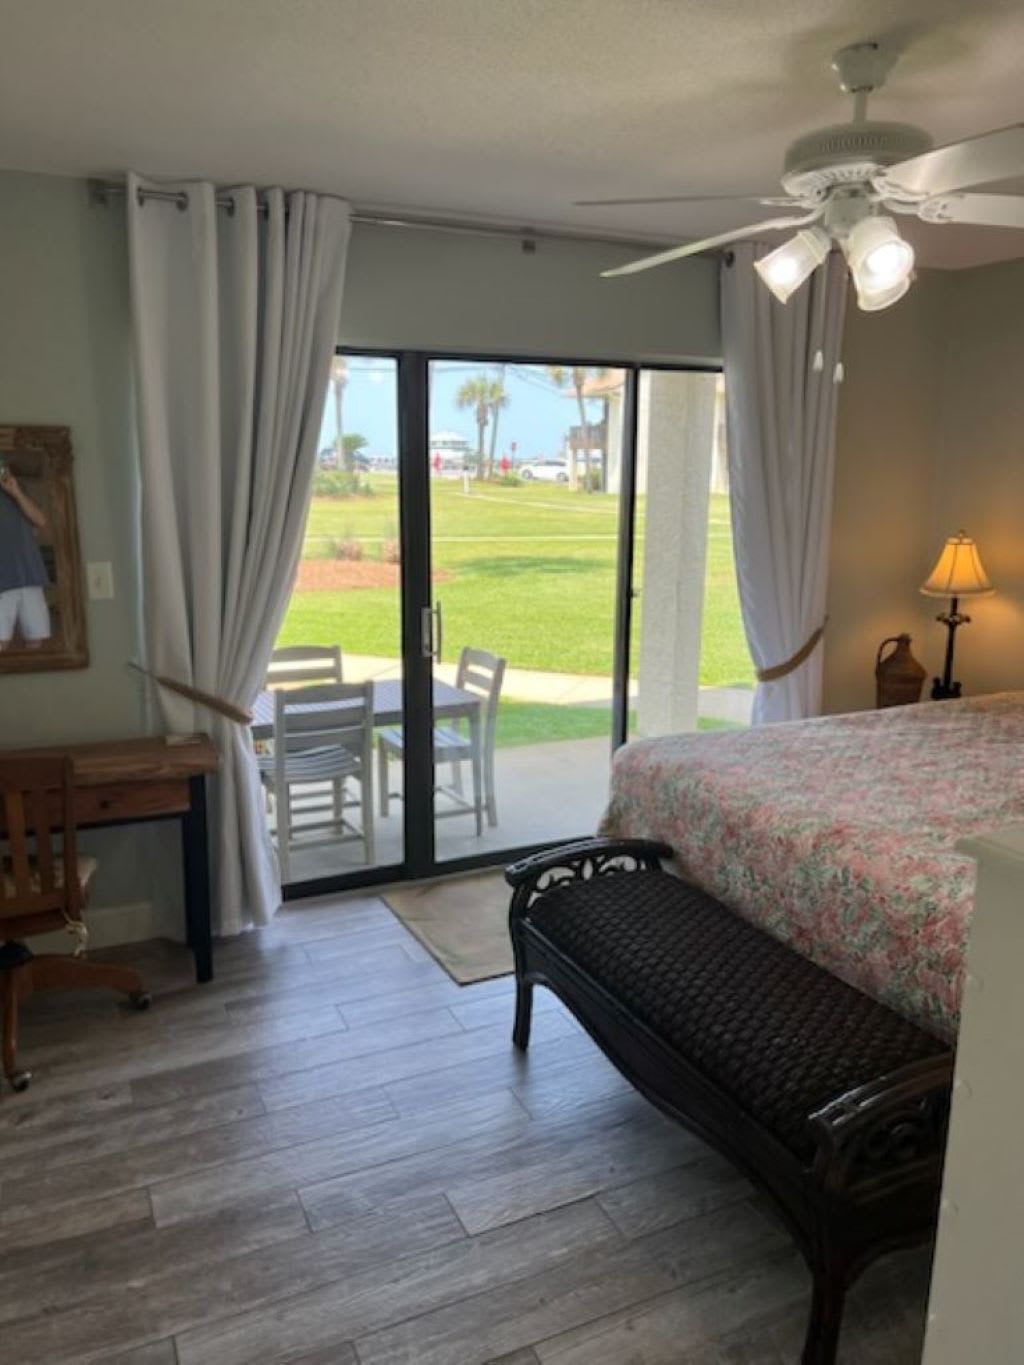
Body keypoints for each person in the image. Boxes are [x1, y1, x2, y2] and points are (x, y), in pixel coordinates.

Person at [0, 463, 51, 650]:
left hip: (30, 577)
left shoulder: (18, 488)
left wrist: (16, 492)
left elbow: (40, 520)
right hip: (2, 584)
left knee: (37, 641)